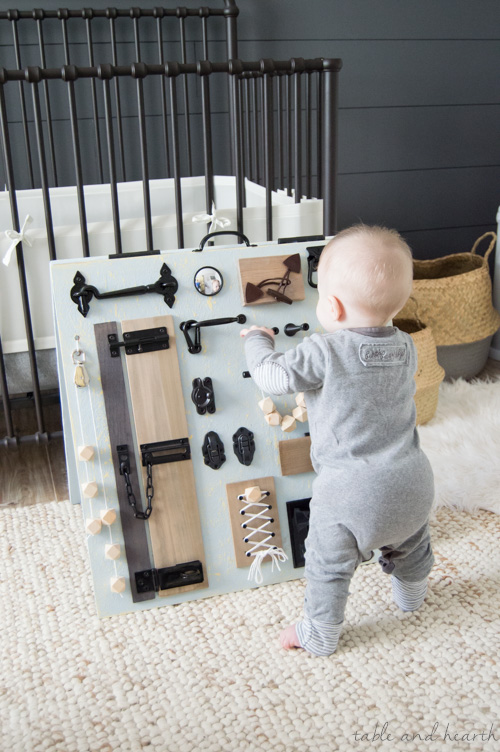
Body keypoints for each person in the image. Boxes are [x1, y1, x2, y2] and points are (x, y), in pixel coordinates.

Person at [240, 224, 435, 656]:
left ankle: (319, 634)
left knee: (327, 564)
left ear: (331, 305)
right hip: (413, 483)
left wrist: (257, 341)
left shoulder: (324, 351)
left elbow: (273, 378)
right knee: (411, 542)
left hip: (350, 492)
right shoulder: (408, 346)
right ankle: (413, 597)